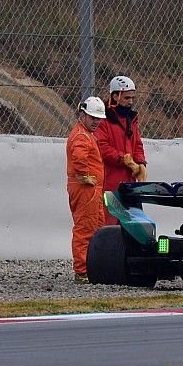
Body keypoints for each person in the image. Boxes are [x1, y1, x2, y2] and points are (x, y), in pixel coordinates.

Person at [95, 75, 148, 225]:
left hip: (130, 182)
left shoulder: (131, 119)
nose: (130, 102)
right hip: (111, 181)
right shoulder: (103, 119)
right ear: (115, 96)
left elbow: (137, 144)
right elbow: (103, 148)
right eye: (126, 98)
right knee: (110, 224)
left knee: (135, 223)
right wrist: (125, 160)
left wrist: (140, 163)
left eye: (132, 98)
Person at [66, 97, 106, 284]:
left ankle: (92, 267)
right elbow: (79, 156)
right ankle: (81, 271)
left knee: (97, 227)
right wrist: (83, 174)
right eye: (92, 117)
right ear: (82, 114)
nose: (96, 121)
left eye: (98, 118)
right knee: (85, 229)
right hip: (85, 189)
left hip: (92, 188)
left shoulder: (86, 134)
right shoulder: (81, 136)